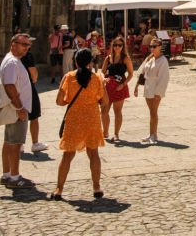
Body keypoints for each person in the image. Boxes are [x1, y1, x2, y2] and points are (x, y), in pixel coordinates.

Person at [48, 49, 108, 201]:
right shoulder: (96, 78)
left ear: (75, 61)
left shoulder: (69, 77)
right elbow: (105, 101)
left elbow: (59, 101)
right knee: (93, 154)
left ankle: (59, 189)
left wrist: (72, 101)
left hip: (74, 119)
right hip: (92, 119)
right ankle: (96, 187)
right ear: (90, 62)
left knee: (67, 155)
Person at [0, 34, 35, 189]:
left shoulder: (13, 61)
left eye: (28, 45)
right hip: (17, 109)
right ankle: (14, 177)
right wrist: (20, 107)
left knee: (9, 141)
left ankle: (7, 174)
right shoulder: (12, 62)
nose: (27, 48)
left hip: (16, 107)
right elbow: (9, 86)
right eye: (24, 44)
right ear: (13, 44)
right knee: (15, 143)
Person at [134, 39, 169, 145]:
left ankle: (154, 135)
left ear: (160, 46)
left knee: (154, 112)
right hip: (148, 87)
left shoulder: (163, 60)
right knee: (151, 112)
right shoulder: (150, 58)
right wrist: (136, 86)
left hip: (155, 88)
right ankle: (151, 134)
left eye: (154, 46)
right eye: (151, 46)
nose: (152, 48)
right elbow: (142, 72)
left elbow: (164, 78)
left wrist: (159, 93)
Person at [100, 36, 133, 142]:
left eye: (120, 45)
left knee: (117, 111)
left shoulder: (126, 58)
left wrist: (123, 84)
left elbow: (131, 74)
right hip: (108, 87)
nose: (117, 47)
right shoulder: (108, 58)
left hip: (119, 87)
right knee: (104, 111)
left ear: (123, 46)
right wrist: (103, 78)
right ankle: (105, 132)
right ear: (112, 46)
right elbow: (102, 71)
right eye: (115, 45)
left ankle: (116, 134)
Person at [20, 44, 48, 154]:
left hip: (16, 88)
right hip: (28, 87)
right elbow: (33, 73)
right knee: (34, 115)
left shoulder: (11, 57)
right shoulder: (28, 56)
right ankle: (35, 143)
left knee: (19, 117)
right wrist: (34, 78)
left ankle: (20, 144)